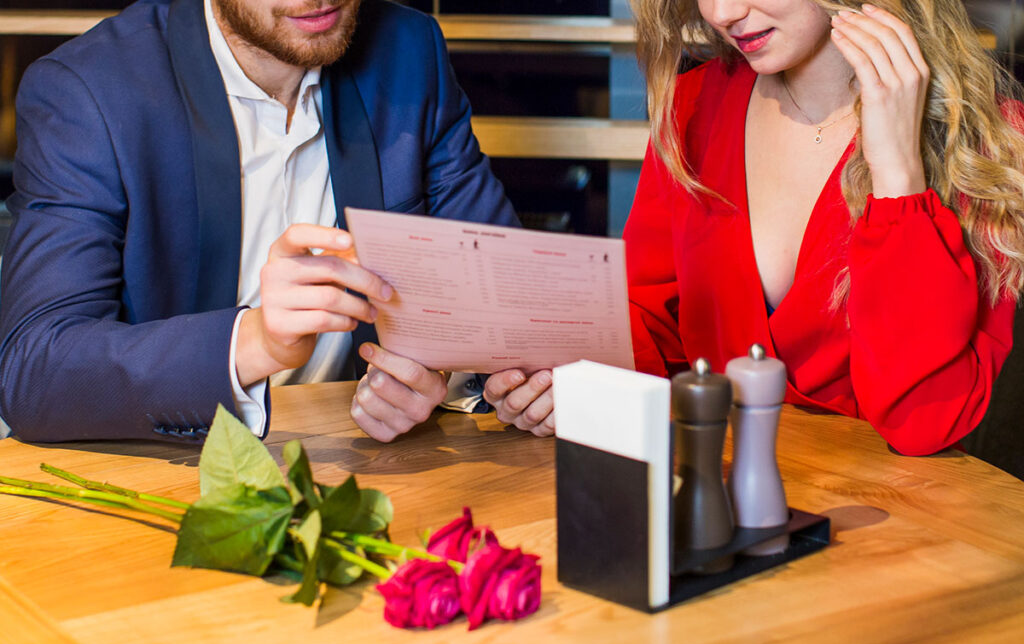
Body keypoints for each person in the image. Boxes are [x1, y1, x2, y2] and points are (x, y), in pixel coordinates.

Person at [0, 0, 527, 443]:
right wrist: (257, 341)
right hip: (164, 483)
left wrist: (498, 376)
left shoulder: (408, 50)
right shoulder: (91, 89)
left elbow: (506, 299)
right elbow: (34, 369)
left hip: (364, 469)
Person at [625, 0, 1024, 454]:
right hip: (713, 492)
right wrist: (561, 379)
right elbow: (645, 328)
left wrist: (899, 180)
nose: (721, 13)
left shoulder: (982, 145)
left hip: (889, 514)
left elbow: (924, 421)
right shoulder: (692, 106)